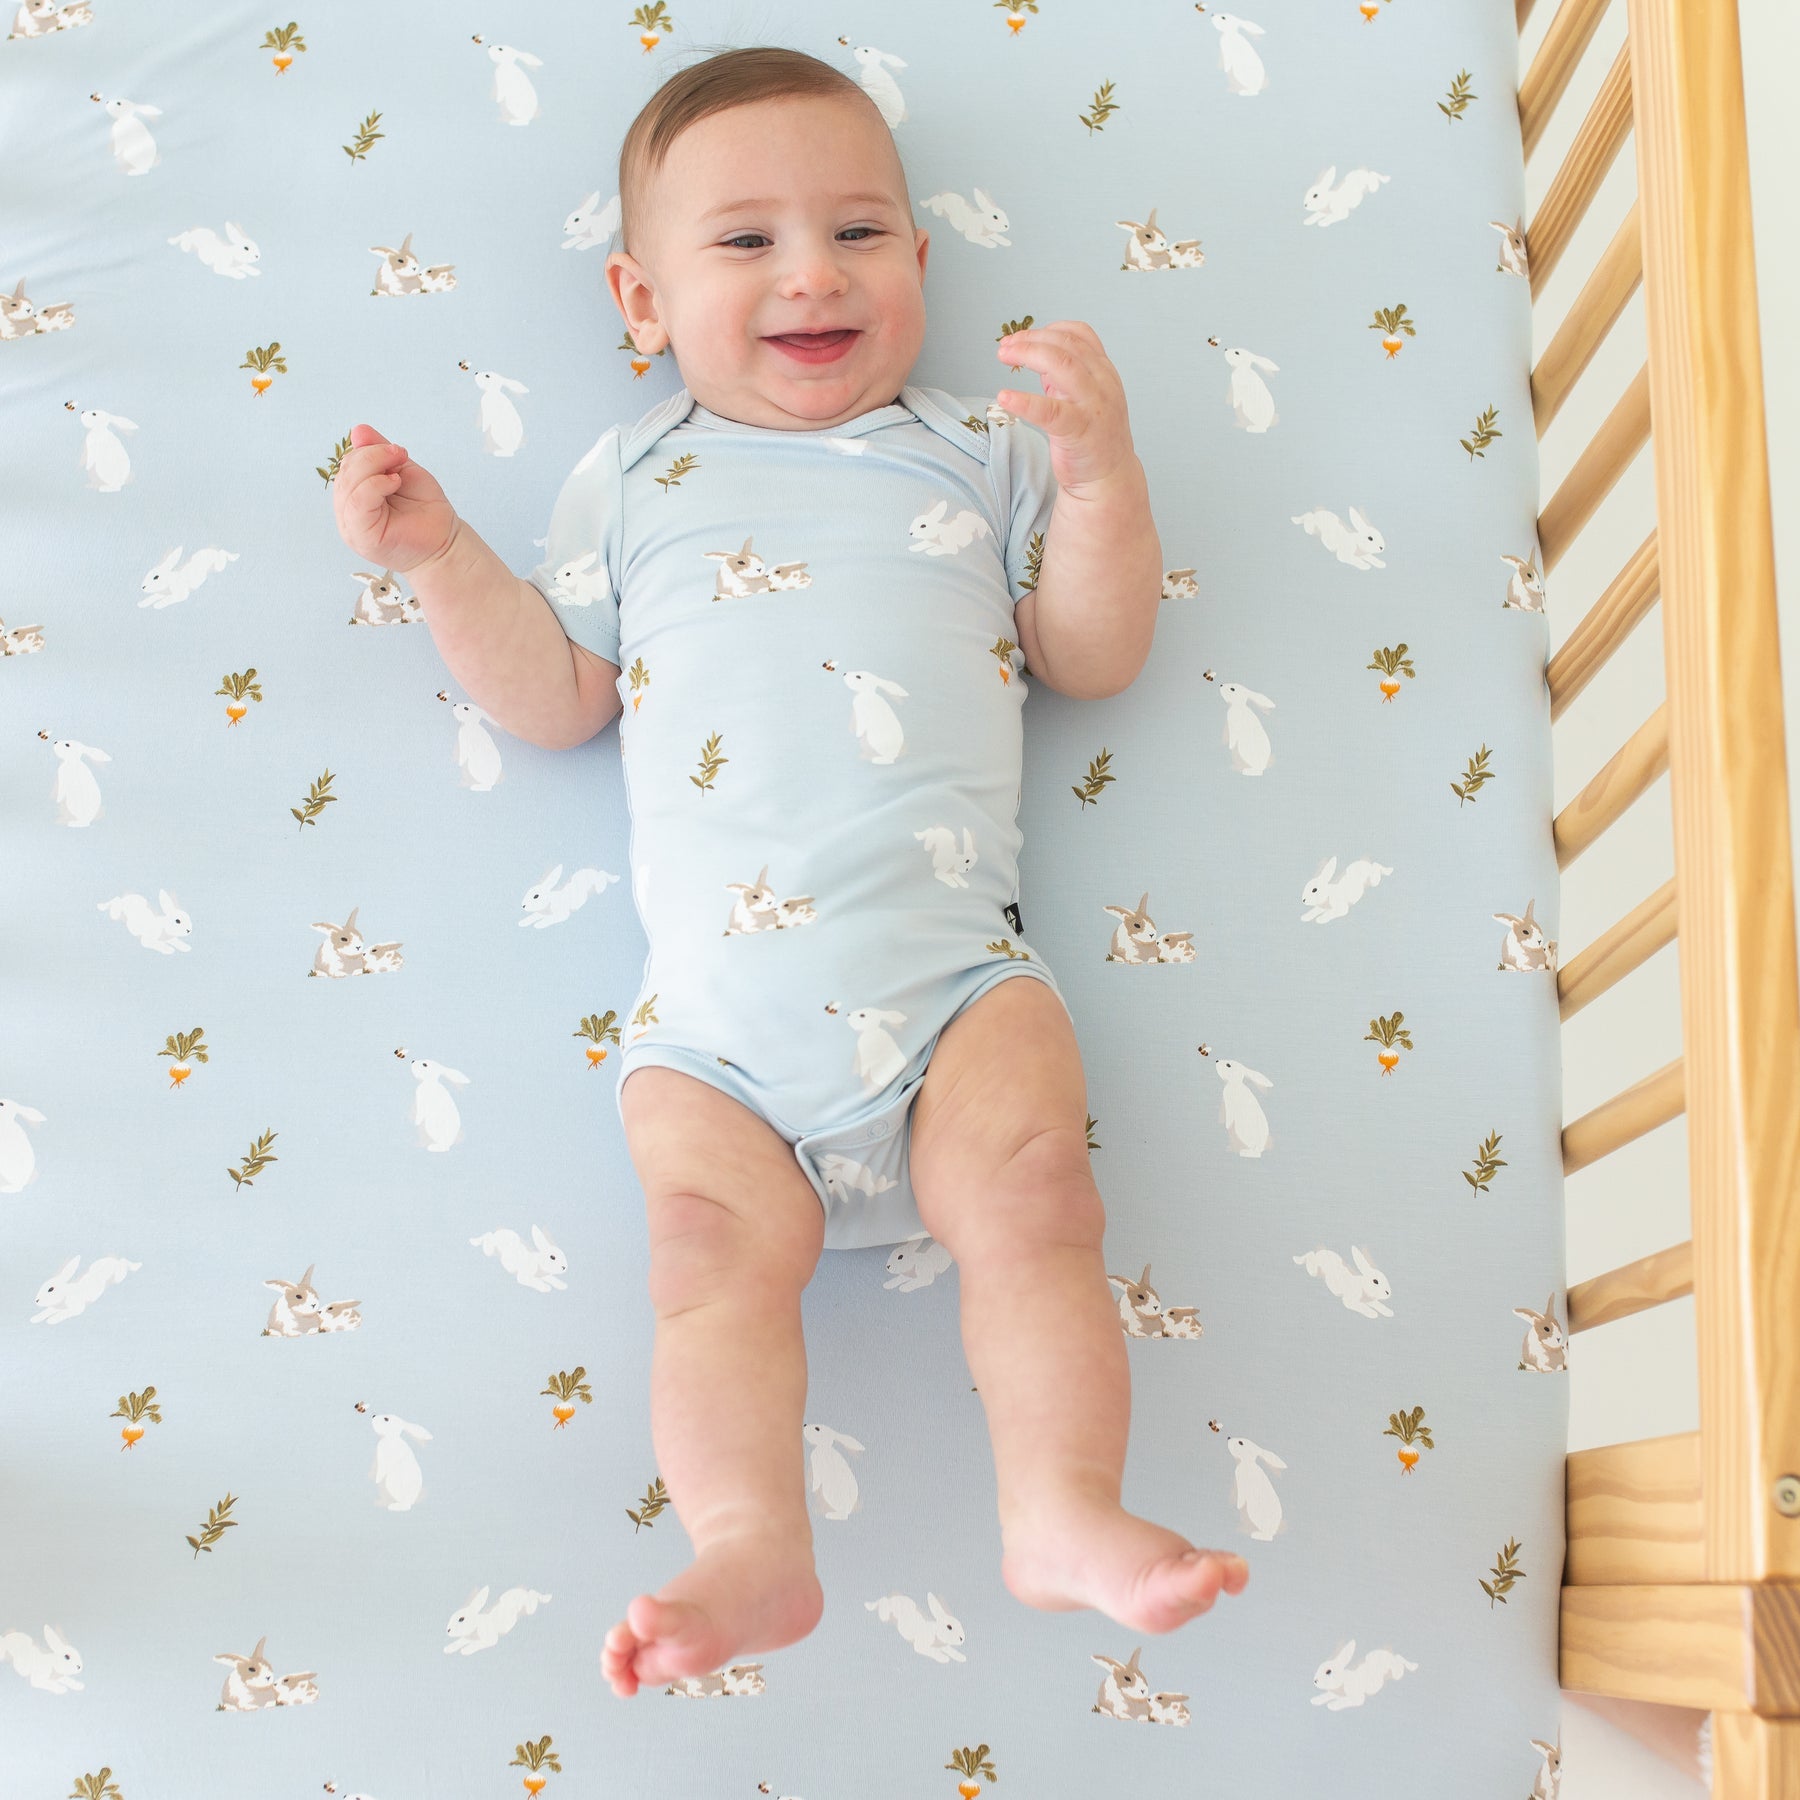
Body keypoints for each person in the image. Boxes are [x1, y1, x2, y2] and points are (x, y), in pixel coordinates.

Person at [330, 42, 1247, 1703]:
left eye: (862, 233)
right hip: (718, 1037)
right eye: (744, 243)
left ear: (919, 261)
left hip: (958, 984)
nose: (812, 273)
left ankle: (1059, 1506)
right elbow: (559, 700)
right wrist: (443, 562)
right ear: (641, 297)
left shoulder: (978, 451)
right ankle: (751, 1539)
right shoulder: (632, 478)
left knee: (1038, 1208)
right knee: (703, 1263)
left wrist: (1104, 477)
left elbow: (1093, 653)